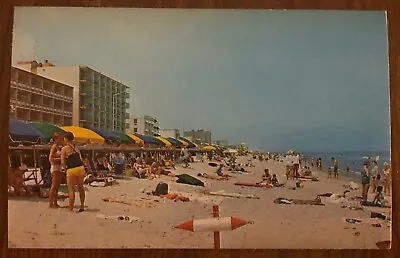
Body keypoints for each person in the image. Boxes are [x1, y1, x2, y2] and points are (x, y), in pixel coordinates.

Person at [61, 132, 86, 212]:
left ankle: (70, 208)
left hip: (71, 169)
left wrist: (65, 169)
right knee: (81, 187)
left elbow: (62, 162)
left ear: (66, 139)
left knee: (71, 189)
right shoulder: (76, 147)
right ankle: (82, 206)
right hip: (80, 168)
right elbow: (81, 159)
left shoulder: (64, 149)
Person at [48, 133, 64, 209]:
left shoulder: (59, 148)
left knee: (57, 186)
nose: (61, 140)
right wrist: (61, 159)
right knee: (54, 186)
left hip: (59, 167)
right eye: (60, 139)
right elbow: (50, 159)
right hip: (55, 167)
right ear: (56, 139)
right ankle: (51, 203)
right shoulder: (54, 147)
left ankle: (55, 202)